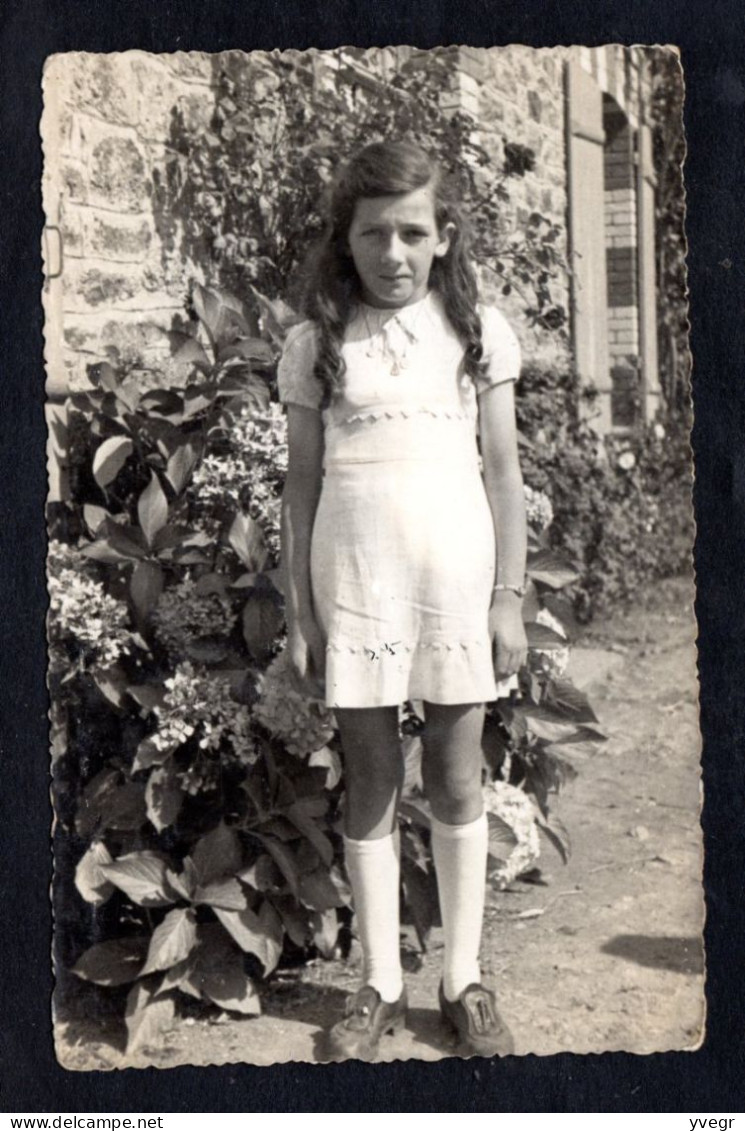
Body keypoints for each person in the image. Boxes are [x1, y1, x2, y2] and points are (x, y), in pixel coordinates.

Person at [278, 140, 528, 1061]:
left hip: (455, 581)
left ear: (443, 238)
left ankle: (462, 975)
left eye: (412, 232)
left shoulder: (476, 335)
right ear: (346, 242)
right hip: (358, 583)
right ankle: (378, 978)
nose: (393, 253)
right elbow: (301, 487)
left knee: (457, 777)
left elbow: (501, 474)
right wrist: (300, 612)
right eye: (373, 234)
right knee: (372, 778)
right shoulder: (316, 343)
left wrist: (507, 597)